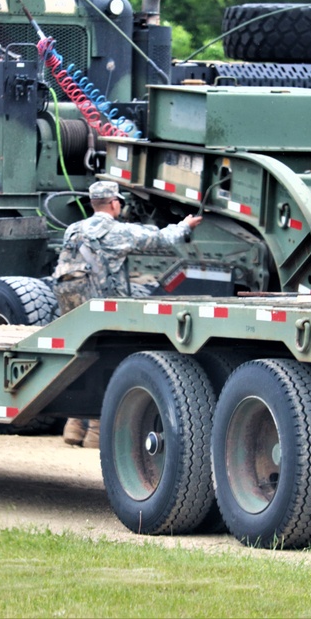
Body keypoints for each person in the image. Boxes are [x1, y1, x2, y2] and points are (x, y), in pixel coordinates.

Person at [54, 181, 202, 448]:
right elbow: (160, 239)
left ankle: (74, 425)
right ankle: (96, 433)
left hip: (71, 307)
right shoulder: (117, 231)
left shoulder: (73, 230)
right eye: (119, 202)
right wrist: (185, 226)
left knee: (79, 362)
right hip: (101, 309)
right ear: (113, 203)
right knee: (107, 362)